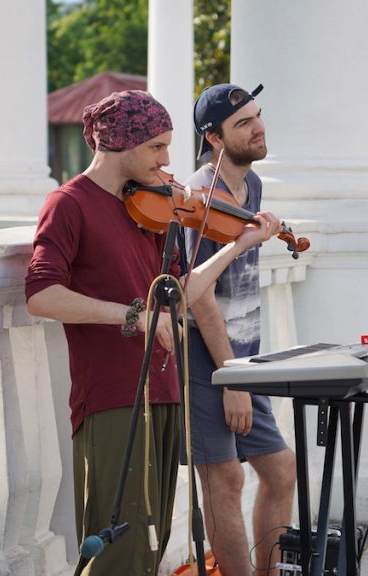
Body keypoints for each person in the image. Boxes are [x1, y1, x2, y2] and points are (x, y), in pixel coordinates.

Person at [25, 90, 280, 576]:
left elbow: (183, 290)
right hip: (113, 396)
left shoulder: (152, 205)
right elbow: (41, 294)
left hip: (164, 389)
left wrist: (239, 244)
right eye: (157, 147)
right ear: (123, 144)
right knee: (116, 549)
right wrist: (134, 317)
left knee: (150, 546)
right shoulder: (69, 203)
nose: (167, 160)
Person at [181, 83, 296, 576]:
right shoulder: (198, 198)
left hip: (246, 360)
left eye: (258, 115)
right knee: (224, 479)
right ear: (214, 138)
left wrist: (243, 375)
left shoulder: (255, 187)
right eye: (244, 123)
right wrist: (230, 381)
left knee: (280, 470)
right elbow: (198, 294)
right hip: (208, 363)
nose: (259, 127)